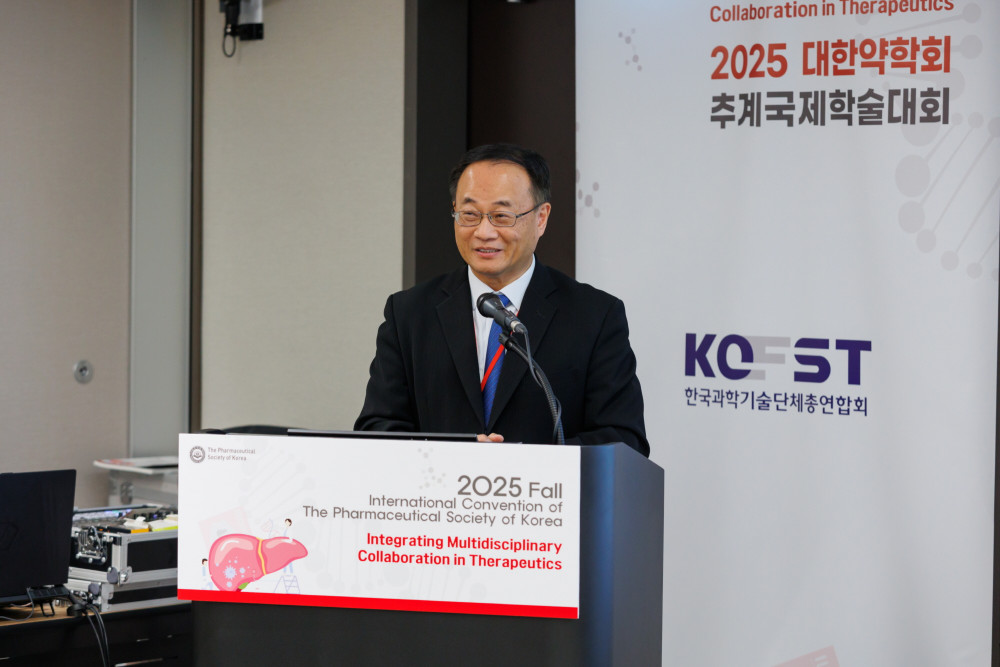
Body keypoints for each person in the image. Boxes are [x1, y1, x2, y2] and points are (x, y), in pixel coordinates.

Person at [354, 143, 648, 456]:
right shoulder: (409, 314)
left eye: (501, 216)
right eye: (469, 215)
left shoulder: (595, 316)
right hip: (438, 487)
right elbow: (377, 429)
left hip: (543, 488)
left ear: (541, 218)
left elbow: (623, 440)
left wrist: (519, 467)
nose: (484, 232)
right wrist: (451, 456)